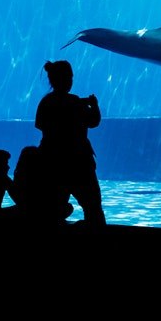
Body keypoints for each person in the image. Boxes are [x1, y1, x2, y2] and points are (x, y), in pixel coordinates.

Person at [35, 60, 106, 225]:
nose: (71, 80)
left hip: (51, 160)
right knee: (92, 206)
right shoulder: (75, 102)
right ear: (66, 79)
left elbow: (40, 125)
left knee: (52, 209)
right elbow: (94, 121)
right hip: (79, 161)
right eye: (70, 77)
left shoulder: (46, 102)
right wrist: (94, 106)